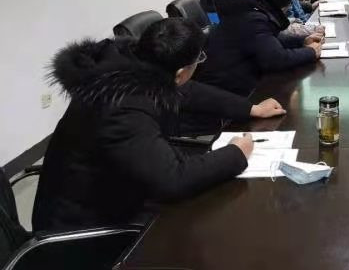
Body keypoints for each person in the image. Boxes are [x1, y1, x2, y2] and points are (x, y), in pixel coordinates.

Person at [32, 19, 263, 232]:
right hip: (82, 229)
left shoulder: (130, 65)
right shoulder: (124, 109)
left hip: (114, 194)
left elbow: (187, 91)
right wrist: (236, 153)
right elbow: (172, 180)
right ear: (180, 73)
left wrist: (250, 108)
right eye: (199, 58)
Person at [196, 0, 323, 96]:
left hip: (231, 76)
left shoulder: (253, 9)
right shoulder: (254, 19)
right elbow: (276, 59)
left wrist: (302, 41)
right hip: (228, 88)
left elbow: (269, 40)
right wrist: (311, 52)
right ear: (283, 7)